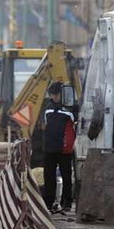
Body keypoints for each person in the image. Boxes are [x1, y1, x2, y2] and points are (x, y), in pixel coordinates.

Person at [42, 82, 76, 212]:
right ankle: (48, 202)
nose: (55, 97)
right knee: (49, 177)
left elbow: (72, 130)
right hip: (50, 149)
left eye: (56, 94)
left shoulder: (69, 112)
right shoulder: (47, 109)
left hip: (64, 150)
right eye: (53, 94)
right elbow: (44, 127)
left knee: (66, 177)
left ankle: (66, 202)